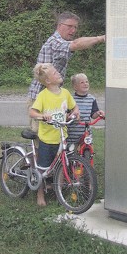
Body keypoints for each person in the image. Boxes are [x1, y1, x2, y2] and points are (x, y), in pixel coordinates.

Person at [27, 11, 105, 131]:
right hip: (40, 97)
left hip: (53, 95)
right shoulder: (54, 42)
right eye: (69, 26)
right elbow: (75, 44)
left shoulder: (60, 42)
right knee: (41, 136)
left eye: (75, 27)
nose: (73, 30)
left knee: (56, 133)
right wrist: (102, 38)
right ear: (59, 26)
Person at [29, 62, 80, 207]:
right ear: (48, 81)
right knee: (42, 169)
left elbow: (74, 106)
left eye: (57, 71)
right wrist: (42, 115)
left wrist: (76, 111)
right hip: (47, 139)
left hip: (62, 137)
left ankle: (59, 191)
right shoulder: (43, 96)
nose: (58, 73)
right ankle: (40, 193)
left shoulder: (65, 93)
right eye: (55, 73)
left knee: (61, 166)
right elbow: (32, 112)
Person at [67, 73, 105, 146]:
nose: (85, 84)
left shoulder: (92, 99)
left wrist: (98, 113)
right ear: (75, 87)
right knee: (70, 152)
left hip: (86, 132)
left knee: (88, 150)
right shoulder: (70, 99)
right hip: (72, 133)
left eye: (87, 82)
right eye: (82, 82)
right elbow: (67, 113)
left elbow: (93, 115)